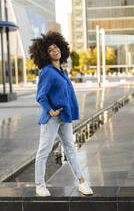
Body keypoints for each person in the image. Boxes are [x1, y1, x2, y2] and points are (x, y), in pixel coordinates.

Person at [29, 31, 93, 197]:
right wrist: (51, 110)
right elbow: (40, 96)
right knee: (44, 150)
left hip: (65, 116)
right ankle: (39, 184)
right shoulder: (47, 71)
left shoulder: (61, 70)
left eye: (56, 47)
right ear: (45, 54)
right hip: (52, 117)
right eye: (50, 49)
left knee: (70, 148)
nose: (54, 50)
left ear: (62, 48)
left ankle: (82, 182)